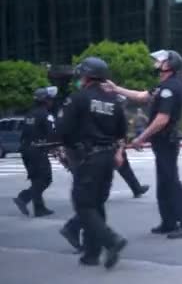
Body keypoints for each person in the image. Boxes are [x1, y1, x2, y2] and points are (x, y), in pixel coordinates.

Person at [104, 49, 182, 239]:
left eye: (161, 60)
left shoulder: (170, 88)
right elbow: (141, 96)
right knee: (164, 183)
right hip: (161, 142)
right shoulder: (162, 86)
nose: (156, 63)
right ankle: (169, 222)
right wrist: (116, 89)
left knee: (171, 182)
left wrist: (141, 137)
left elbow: (162, 119)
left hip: (166, 141)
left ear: (169, 65)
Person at [56, 57, 128, 268]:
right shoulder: (114, 102)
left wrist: (65, 147)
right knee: (96, 204)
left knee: (84, 204)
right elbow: (122, 132)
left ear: (86, 76)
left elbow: (63, 129)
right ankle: (92, 253)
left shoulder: (78, 98)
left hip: (88, 158)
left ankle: (111, 240)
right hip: (108, 158)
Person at [13, 86, 58, 217]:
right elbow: (52, 134)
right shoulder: (46, 115)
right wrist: (57, 148)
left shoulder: (30, 114)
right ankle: (24, 197)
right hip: (37, 150)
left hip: (26, 150)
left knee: (36, 179)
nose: (52, 102)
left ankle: (39, 208)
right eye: (50, 99)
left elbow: (26, 133)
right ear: (46, 101)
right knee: (46, 179)